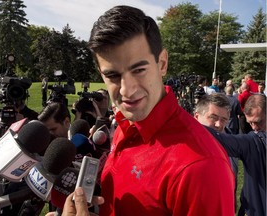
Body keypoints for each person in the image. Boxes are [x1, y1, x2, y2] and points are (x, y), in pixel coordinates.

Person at [61, 5, 235, 215]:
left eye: (139, 70)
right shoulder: (126, 123)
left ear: (162, 63)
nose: (127, 90)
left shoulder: (202, 166)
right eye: (113, 75)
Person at [205, 94, 266, 216]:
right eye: (250, 123)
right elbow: (220, 140)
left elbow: (220, 140)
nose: (254, 128)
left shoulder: (254, 142)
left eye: (258, 122)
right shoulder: (253, 141)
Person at [193, 93, 239, 212]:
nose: (219, 125)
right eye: (213, 117)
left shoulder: (231, 146)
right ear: (196, 116)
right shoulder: (181, 148)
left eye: (223, 120)